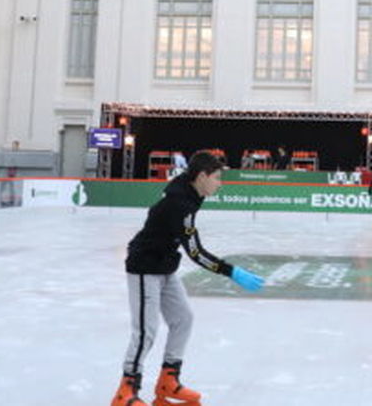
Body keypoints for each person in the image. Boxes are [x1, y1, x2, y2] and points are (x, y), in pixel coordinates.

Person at [113, 152, 266, 406]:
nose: (220, 183)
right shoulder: (180, 203)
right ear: (202, 176)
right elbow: (196, 253)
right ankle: (125, 391)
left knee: (183, 319)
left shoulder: (191, 194)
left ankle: (168, 380)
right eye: (217, 178)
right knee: (146, 331)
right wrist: (232, 272)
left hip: (164, 266)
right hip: (144, 267)